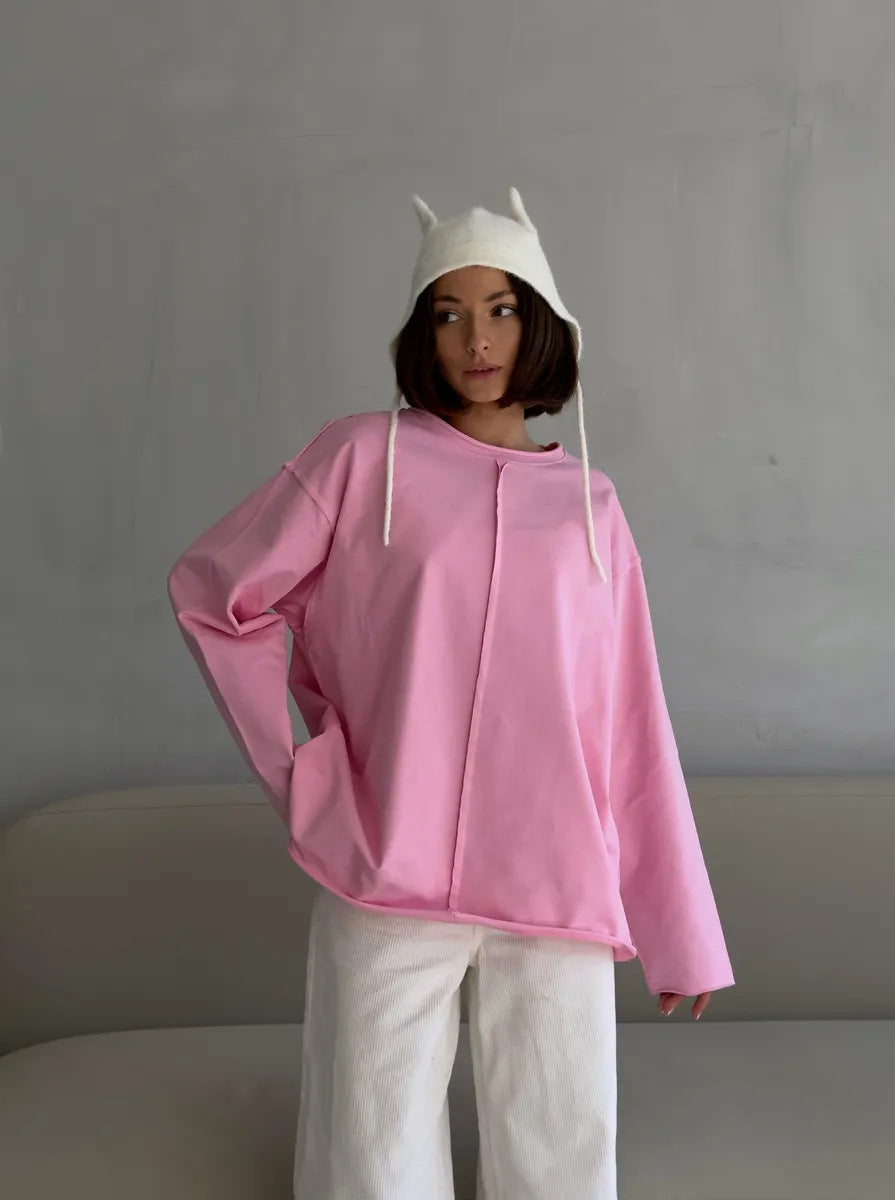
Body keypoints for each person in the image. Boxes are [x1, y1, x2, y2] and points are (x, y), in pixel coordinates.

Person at [167, 186, 735, 1200]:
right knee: (370, 1157)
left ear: (541, 323)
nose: (478, 339)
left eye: (503, 310)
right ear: (423, 334)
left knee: (560, 1160)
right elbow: (217, 597)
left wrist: (679, 930)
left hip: (554, 878)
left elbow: (631, 725)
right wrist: (307, 776)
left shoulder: (592, 507)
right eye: (449, 312)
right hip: (388, 870)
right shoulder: (359, 460)